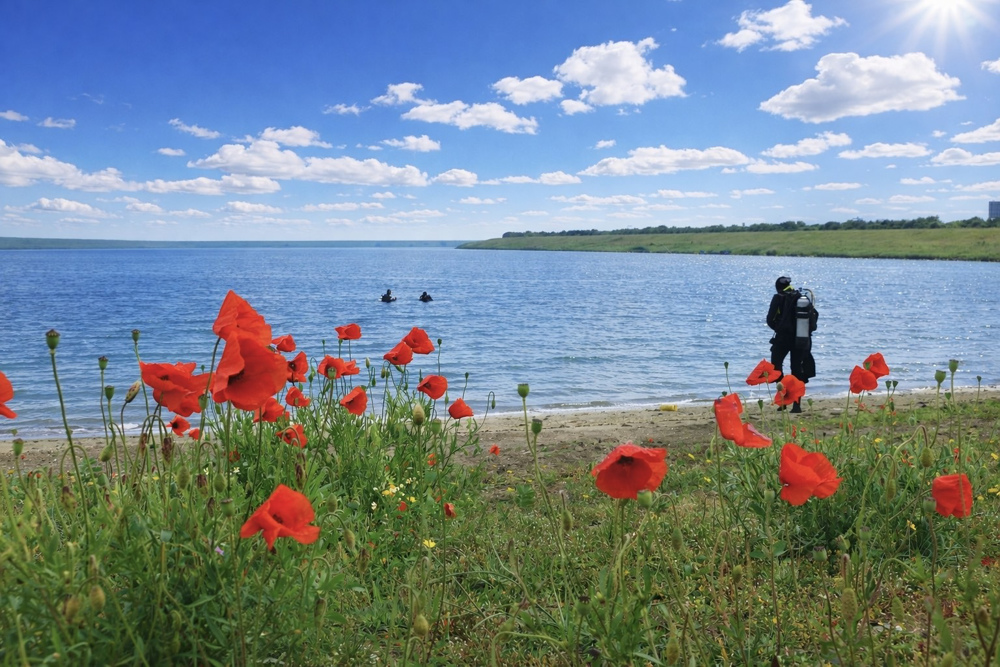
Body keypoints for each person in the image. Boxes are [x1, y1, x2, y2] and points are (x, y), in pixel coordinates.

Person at [766, 276, 817, 413]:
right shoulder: (802, 298)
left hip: (783, 338)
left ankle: (783, 400)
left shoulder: (778, 298)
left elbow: (770, 320)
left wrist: (779, 328)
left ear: (778, 287)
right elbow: (813, 322)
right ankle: (796, 405)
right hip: (801, 338)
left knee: (776, 368)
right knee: (797, 369)